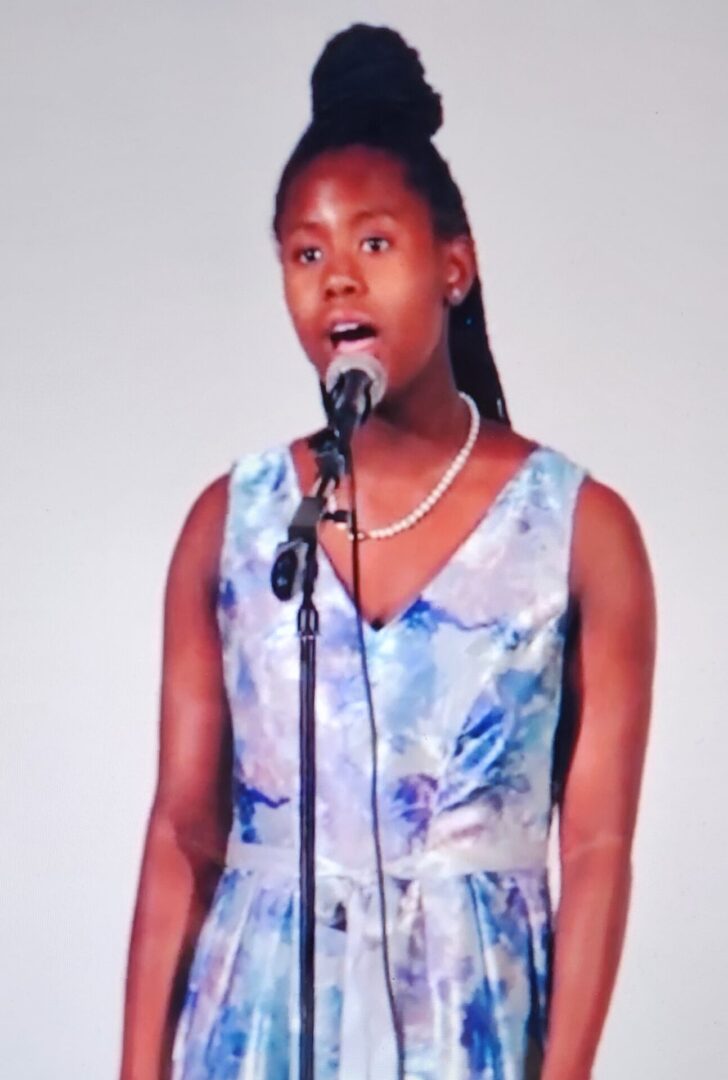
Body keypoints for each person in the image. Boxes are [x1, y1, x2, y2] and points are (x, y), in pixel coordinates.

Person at [119, 23, 656, 1080]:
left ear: (452, 265)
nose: (335, 282)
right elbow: (183, 833)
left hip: (473, 1028)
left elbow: (592, 851)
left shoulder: (578, 531)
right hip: (255, 1031)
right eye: (304, 253)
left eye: (372, 243)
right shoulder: (230, 526)